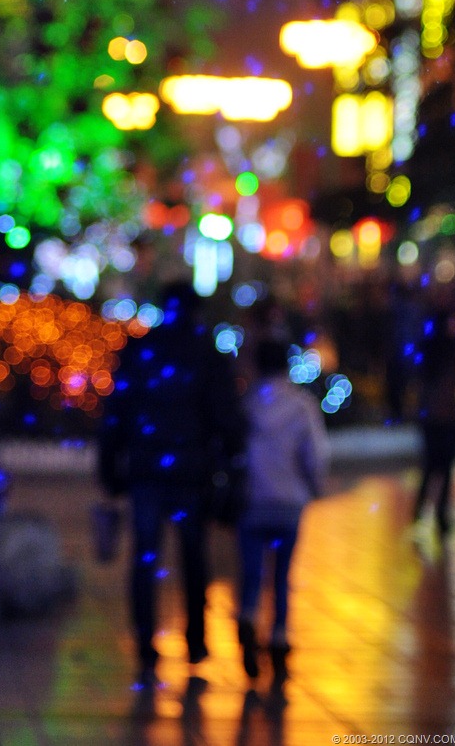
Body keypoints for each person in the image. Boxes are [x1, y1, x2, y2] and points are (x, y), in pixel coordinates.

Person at [98, 280, 243, 687]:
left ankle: (146, 641)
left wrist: (110, 465)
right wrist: (229, 457)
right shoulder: (205, 354)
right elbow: (224, 414)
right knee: (193, 556)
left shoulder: (142, 350)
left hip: (146, 469)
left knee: (146, 557)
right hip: (189, 471)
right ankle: (195, 640)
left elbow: (118, 410)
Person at [236, 336, 328, 687]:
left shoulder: (246, 406)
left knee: (252, 570)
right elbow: (315, 455)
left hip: (253, 502)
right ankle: (278, 636)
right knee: (283, 575)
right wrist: (315, 488)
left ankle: (247, 613)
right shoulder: (302, 406)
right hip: (289, 503)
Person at [411, 292, 455, 541]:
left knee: (432, 467)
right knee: (442, 467)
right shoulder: (450, 352)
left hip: (432, 416)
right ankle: (438, 516)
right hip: (445, 417)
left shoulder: (430, 351)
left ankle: (422, 512)